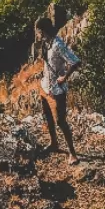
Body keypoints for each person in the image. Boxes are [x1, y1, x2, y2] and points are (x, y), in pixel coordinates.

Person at [37, 19, 80, 160]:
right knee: (48, 116)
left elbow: (75, 61)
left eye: (39, 31)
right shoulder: (46, 43)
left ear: (44, 30)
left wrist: (64, 77)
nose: (38, 34)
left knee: (61, 122)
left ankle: (72, 154)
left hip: (57, 90)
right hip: (45, 87)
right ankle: (54, 143)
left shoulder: (58, 45)